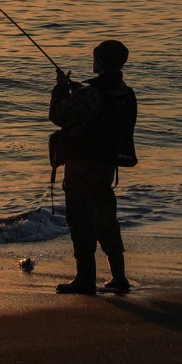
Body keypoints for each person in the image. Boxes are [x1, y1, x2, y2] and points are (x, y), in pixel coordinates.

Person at [49, 39, 137, 295]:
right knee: (106, 218)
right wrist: (76, 92)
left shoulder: (92, 94)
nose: (93, 60)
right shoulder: (124, 92)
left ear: (101, 61)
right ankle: (118, 276)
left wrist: (60, 89)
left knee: (80, 219)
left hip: (81, 164)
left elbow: (58, 115)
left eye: (96, 56)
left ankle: (85, 279)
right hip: (107, 165)